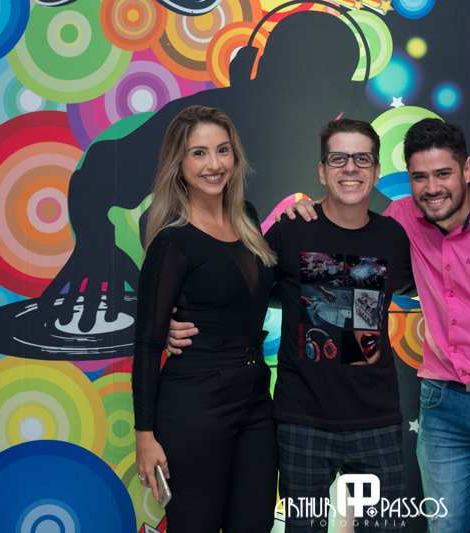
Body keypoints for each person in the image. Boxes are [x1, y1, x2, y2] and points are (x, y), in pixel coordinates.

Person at [282, 118, 470, 532]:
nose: (432, 188)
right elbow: (347, 231)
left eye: (443, 174)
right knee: (444, 527)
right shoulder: (401, 219)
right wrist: (309, 209)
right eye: (420, 177)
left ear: (467, 169)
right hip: (442, 405)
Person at [168, 119, 414, 532]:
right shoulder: (291, 230)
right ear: (321, 170)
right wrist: (174, 320)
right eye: (338, 158)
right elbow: (237, 292)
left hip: (376, 420)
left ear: (375, 171)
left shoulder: (395, 237)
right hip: (302, 422)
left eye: (362, 159)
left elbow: (446, 288)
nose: (350, 168)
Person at [132, 105, 278, 532]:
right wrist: (145, 436)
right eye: (199, 153)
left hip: (256, 400)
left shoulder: (247, 217)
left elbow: (252, 294)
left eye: (222, 150)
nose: (214, 164)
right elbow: (147, 345)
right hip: (195, 406)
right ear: (178, 164)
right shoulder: (173, 241)